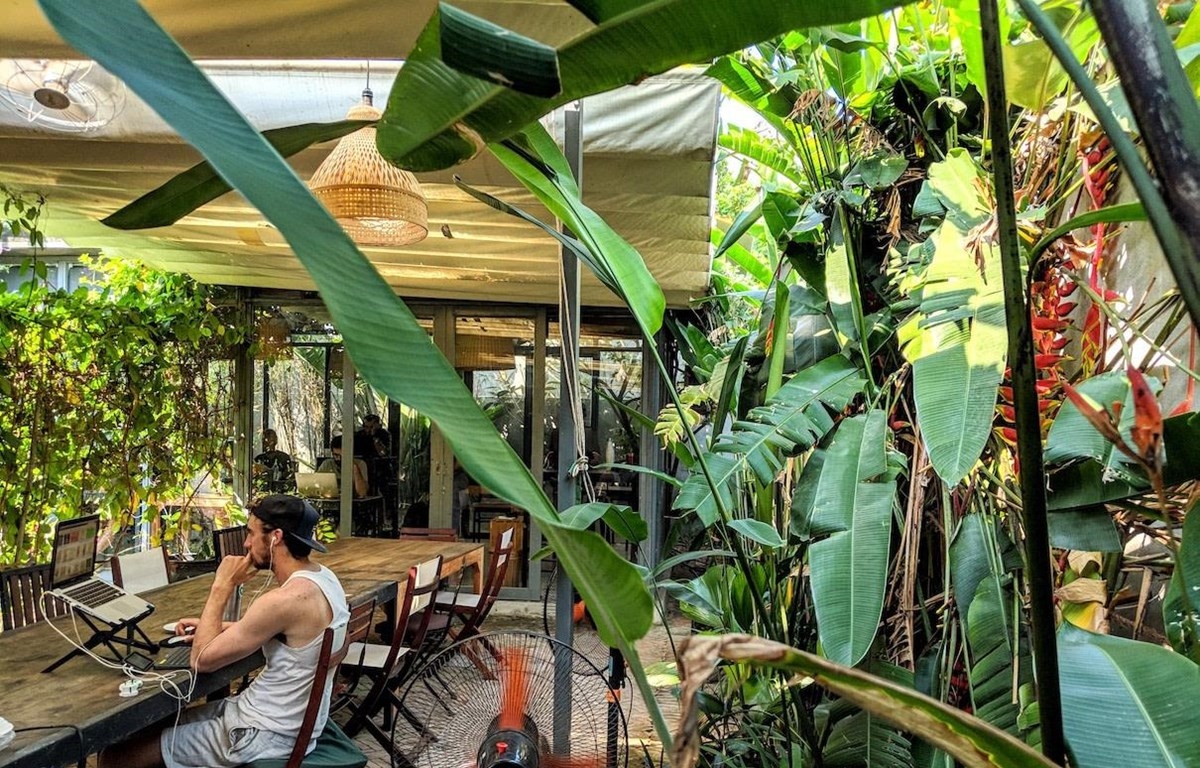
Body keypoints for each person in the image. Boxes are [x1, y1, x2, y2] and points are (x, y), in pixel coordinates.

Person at [98, 495, 348, 768]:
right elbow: (283, 631)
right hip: (282, 724)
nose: (246, 544)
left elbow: (201, 660)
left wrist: (222, 584)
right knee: (145, 729)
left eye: (251, 534)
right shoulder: (324, 579)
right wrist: (213, 627)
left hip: (260, 733)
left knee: (114, 757)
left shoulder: (282, 601)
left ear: (275, 537)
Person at [252, 428, 295, 494]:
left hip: (280, 493)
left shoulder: (284, 457)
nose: (268, 441)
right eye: (265, 439)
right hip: (262, 493)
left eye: (271, 439)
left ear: (276, 440)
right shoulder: (259, 459)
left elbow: (290, 477)